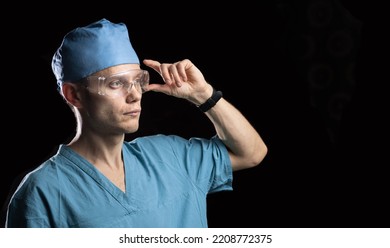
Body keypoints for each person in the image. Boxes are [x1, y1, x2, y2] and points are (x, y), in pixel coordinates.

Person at [5, 18, 267, 228]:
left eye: (138, 81)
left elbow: (252, 153)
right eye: (116, 83)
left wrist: (203, 96)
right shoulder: (42, 193)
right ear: (73, 94)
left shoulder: (171, 156)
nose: (134, 95)